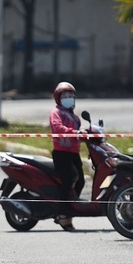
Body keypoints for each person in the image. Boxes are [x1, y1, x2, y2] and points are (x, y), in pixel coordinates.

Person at [50, 81, 86, 232]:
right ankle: (62, 212)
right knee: (70, 178)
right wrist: (75, 133)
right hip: (61, 153)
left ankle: (71, 206)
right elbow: (58, 128)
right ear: (59, 98)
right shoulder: (56, 113)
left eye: (71, 95)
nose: (69, 97)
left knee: (81, 180)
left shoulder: (75, 117)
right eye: (65, 95)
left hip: (74, 153)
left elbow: (79, 132)